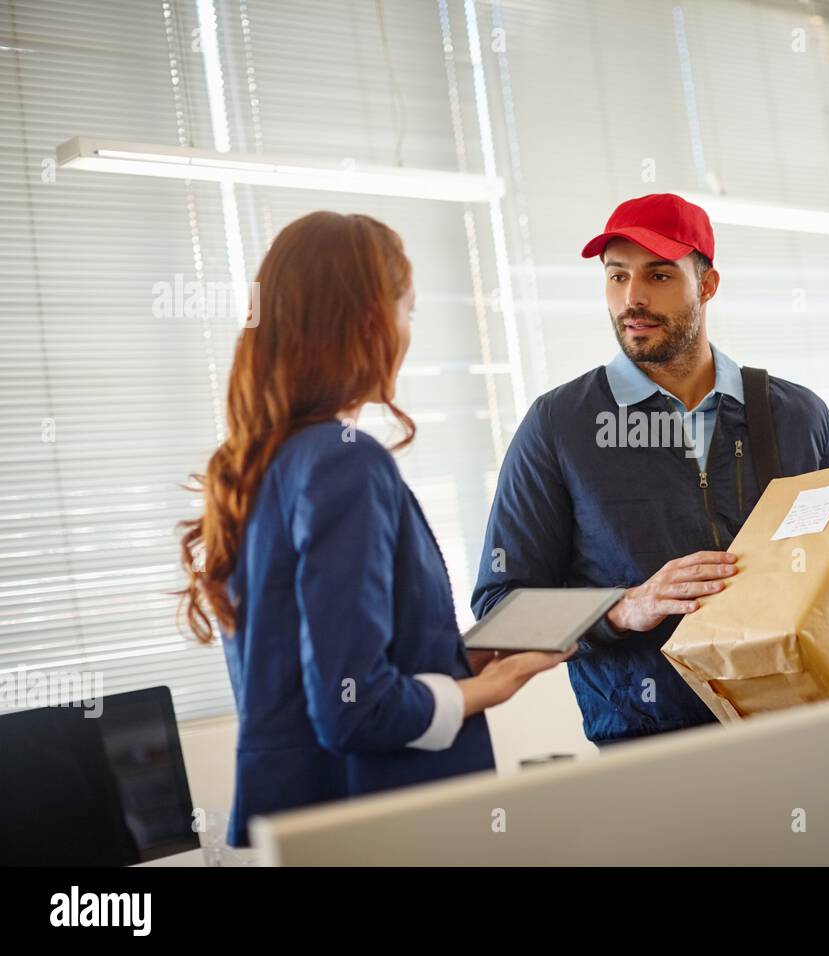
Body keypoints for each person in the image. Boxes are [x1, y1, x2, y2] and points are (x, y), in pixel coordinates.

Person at [178, 211, 569, 847]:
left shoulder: (254, 464)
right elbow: (354, 707)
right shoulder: (343, 459)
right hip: (381, 826)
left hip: (302, 823)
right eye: (406, 310)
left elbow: (316, 669)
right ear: (366, 322)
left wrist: (456, 658)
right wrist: (489, 688)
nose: (407, 332)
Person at [472, 193, 829, 748]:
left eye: (659, 275)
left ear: (708, 283)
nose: (634, 298)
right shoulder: (559, 425)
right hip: (650, 749)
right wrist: (624, 607)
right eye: (616, 276)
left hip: (805, 729)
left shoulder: (795, 414)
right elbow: (502, 610)